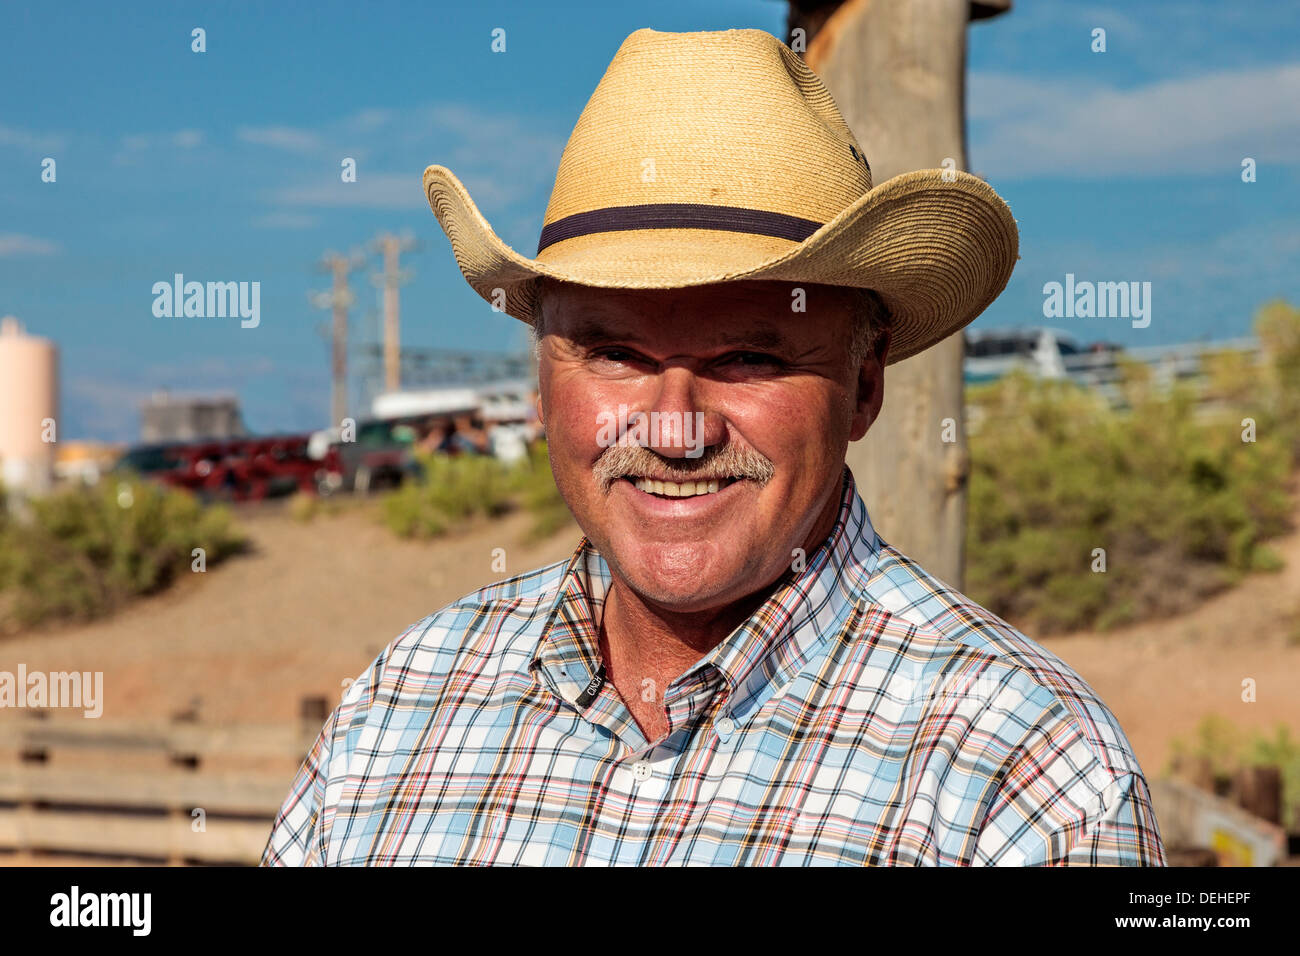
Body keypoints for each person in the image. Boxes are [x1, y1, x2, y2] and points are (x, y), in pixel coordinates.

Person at [263, 27, 1164, 866]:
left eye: (748, 356)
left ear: (864, 386)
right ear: (543, 383)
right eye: (614, 353)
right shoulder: (400, 705)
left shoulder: (1023, 770)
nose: (675, 429)